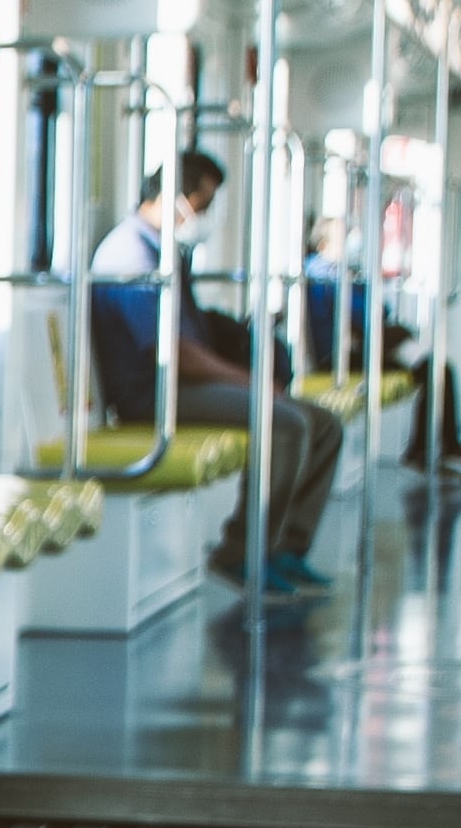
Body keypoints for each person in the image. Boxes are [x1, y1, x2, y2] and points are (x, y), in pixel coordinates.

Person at [90, 149, 340, 591]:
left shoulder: (167, 252)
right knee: (286, 424)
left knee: (326, 426)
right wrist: (251, 383)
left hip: (181, 385)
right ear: (175, 197)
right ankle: (241, 552)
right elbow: (173, 353)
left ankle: (286, 549)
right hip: (153, 395)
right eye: (201, 205)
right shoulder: (131, 255)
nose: (202, 216)